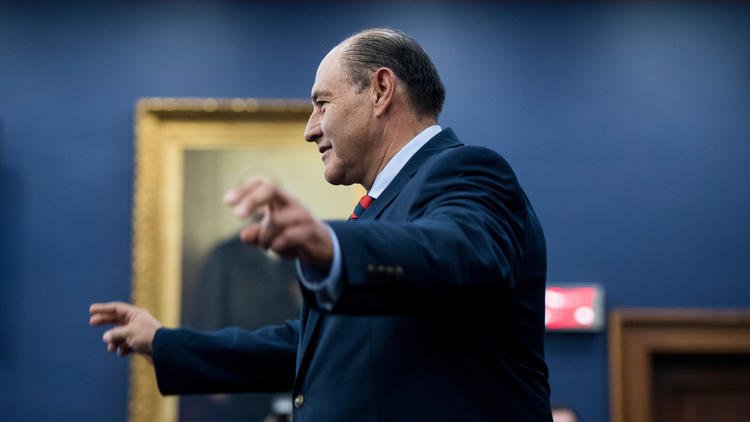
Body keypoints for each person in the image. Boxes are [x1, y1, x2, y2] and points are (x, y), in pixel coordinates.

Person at [90, 28, 552, 421]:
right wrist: (165, 344)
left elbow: (458, 250)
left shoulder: (467, 170)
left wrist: (332, 244)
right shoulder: (380, 207)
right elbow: (308, 347)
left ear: (380, 90)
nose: (310, 128)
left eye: (321, 103)